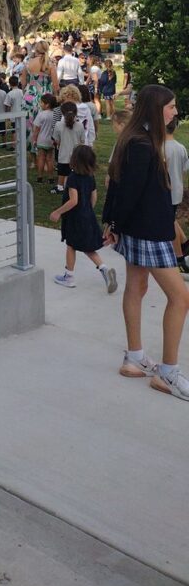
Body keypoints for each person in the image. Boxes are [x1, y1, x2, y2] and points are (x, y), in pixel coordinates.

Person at [103, 84, 189, 400]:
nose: (175, 112)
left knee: (136, 288)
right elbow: (126, 190)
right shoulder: (142, 143)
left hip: (140, 228)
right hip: (147, 231)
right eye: (171, 106)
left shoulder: (135, 137)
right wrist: (114, 223)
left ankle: (135, 358)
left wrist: (112, 222)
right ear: (156, 108)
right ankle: (168, 373)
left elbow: (115, 183)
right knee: (181, 297)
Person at [50, 145, 117, 292]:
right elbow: (94, 197)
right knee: (88, 247)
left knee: (71, 245)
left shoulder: (73, 178)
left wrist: (58, 212)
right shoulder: (90, 177)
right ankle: (104, 269)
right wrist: (87, 210)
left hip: (75, 218)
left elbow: (73, 201)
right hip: (88, 216)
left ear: (75, 159)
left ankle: (69, 276)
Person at [165, 118, 189, 275]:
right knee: (171, 220)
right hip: (177, 191)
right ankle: (184, 244)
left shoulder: (159, 147)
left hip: (164, 192)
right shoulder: (180, 147)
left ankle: (179, 258)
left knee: (168, 224)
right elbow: (184, 169)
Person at [51, 101, 85, 195]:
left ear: (62, 112)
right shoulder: (80, 125)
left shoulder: (58, 125)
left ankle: (60, 187)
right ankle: (74, 187)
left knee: (62, 172)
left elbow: (56, 140)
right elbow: (82, 140)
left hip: (63, 153)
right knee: (74, 172)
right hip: (76, 154)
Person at [31, 93, 57, 184]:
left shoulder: (41, 114)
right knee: (50, 159)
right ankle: (51, 178)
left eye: (41, 103)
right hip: (51, 140)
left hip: (41, 140)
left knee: (41, 158)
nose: (40, 104)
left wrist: (34, 140)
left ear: (47, 104)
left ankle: (40, 177)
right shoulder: (55, 115)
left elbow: (36, 129)